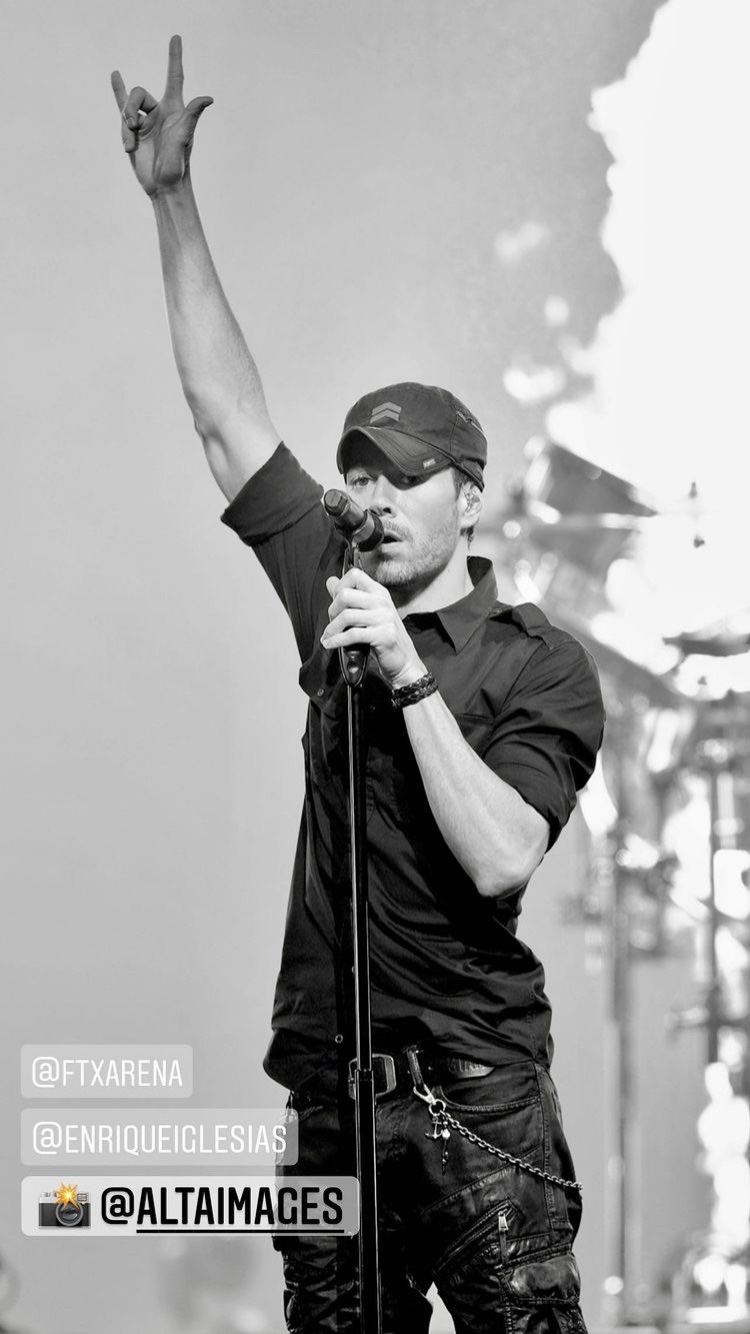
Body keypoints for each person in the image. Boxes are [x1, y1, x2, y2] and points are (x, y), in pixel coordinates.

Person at [112, 37, 605, 1333]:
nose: (372, 496)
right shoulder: (332, 588)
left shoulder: (535, 659)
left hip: (476, 1099)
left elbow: (500, 857)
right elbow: (225, 418)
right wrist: (172, 200)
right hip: (330, 1100)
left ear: (467, 494)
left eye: (402, 474)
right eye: (359, 473)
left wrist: (406, 674)